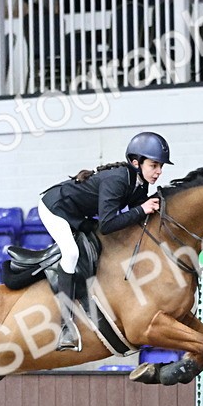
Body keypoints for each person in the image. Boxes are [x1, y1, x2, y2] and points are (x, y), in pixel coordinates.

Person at [36, 131, 172, 351]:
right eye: (154, 166)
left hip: (79, 214)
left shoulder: (138, 182)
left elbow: (141, 210)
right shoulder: (118, 180)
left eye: (161, 167)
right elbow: (108, 224)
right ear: (136, 162)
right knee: (71, 253)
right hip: (55, 208)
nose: (158, 172)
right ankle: (66, 326)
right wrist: (141, 209)